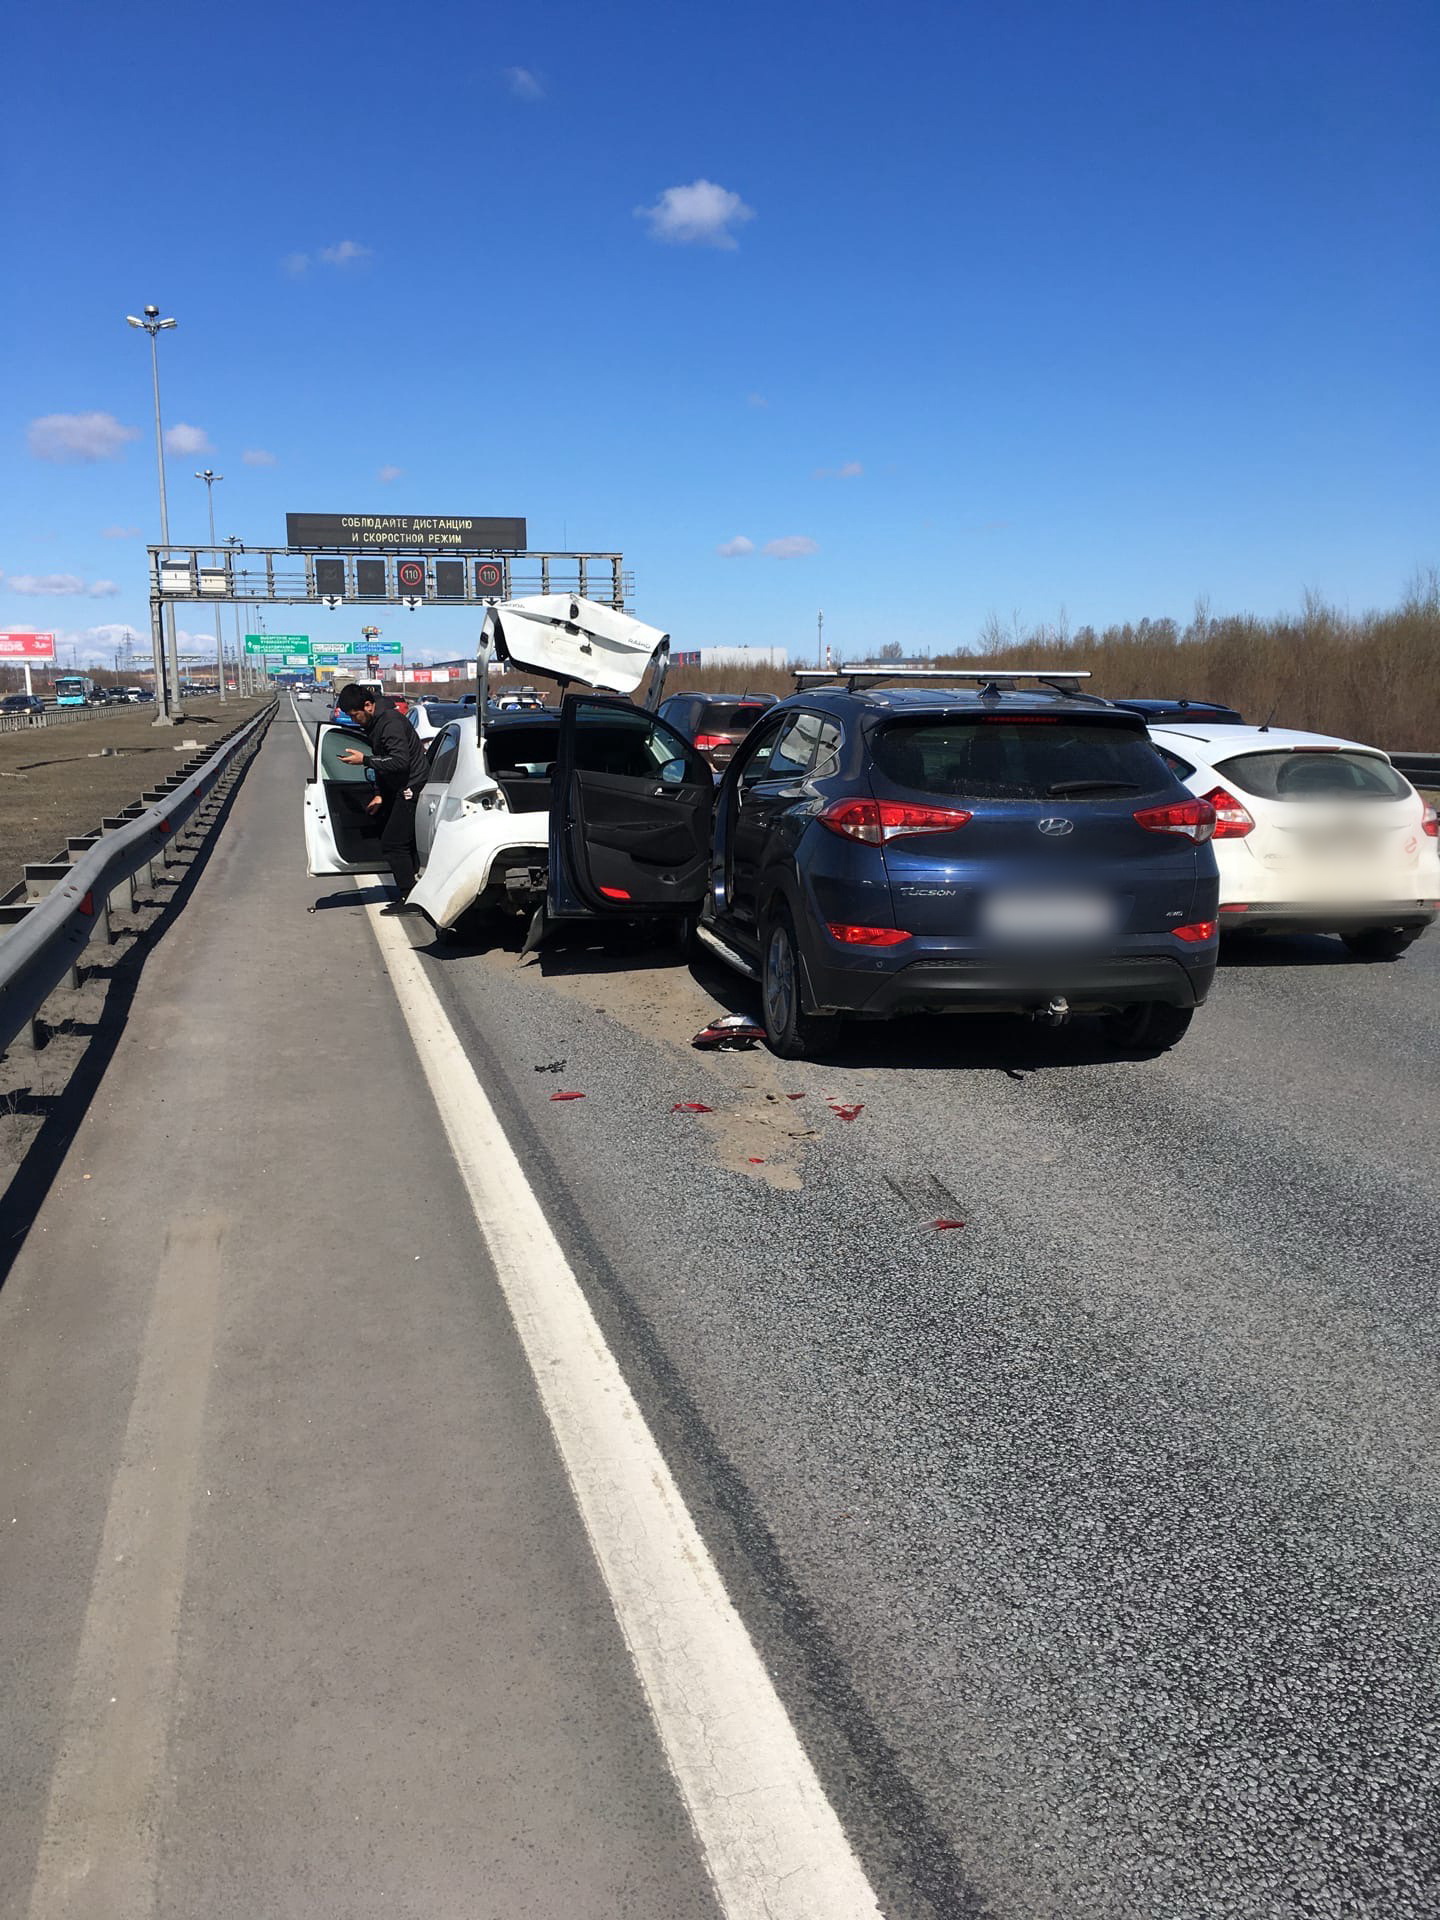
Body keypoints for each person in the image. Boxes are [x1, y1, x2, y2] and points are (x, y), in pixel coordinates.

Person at [335, 683, 431, 913]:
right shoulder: (376, 723)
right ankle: (417, 890)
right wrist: (379, 794)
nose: (354, 719)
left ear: (368, 706)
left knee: (393, 843)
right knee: (402, 843)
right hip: (396, 788)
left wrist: (365, 760)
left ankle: (410, 898)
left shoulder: (390, 723)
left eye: (354, 715)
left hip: (411, 788)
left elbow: (399, 762)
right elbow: (384, 761)